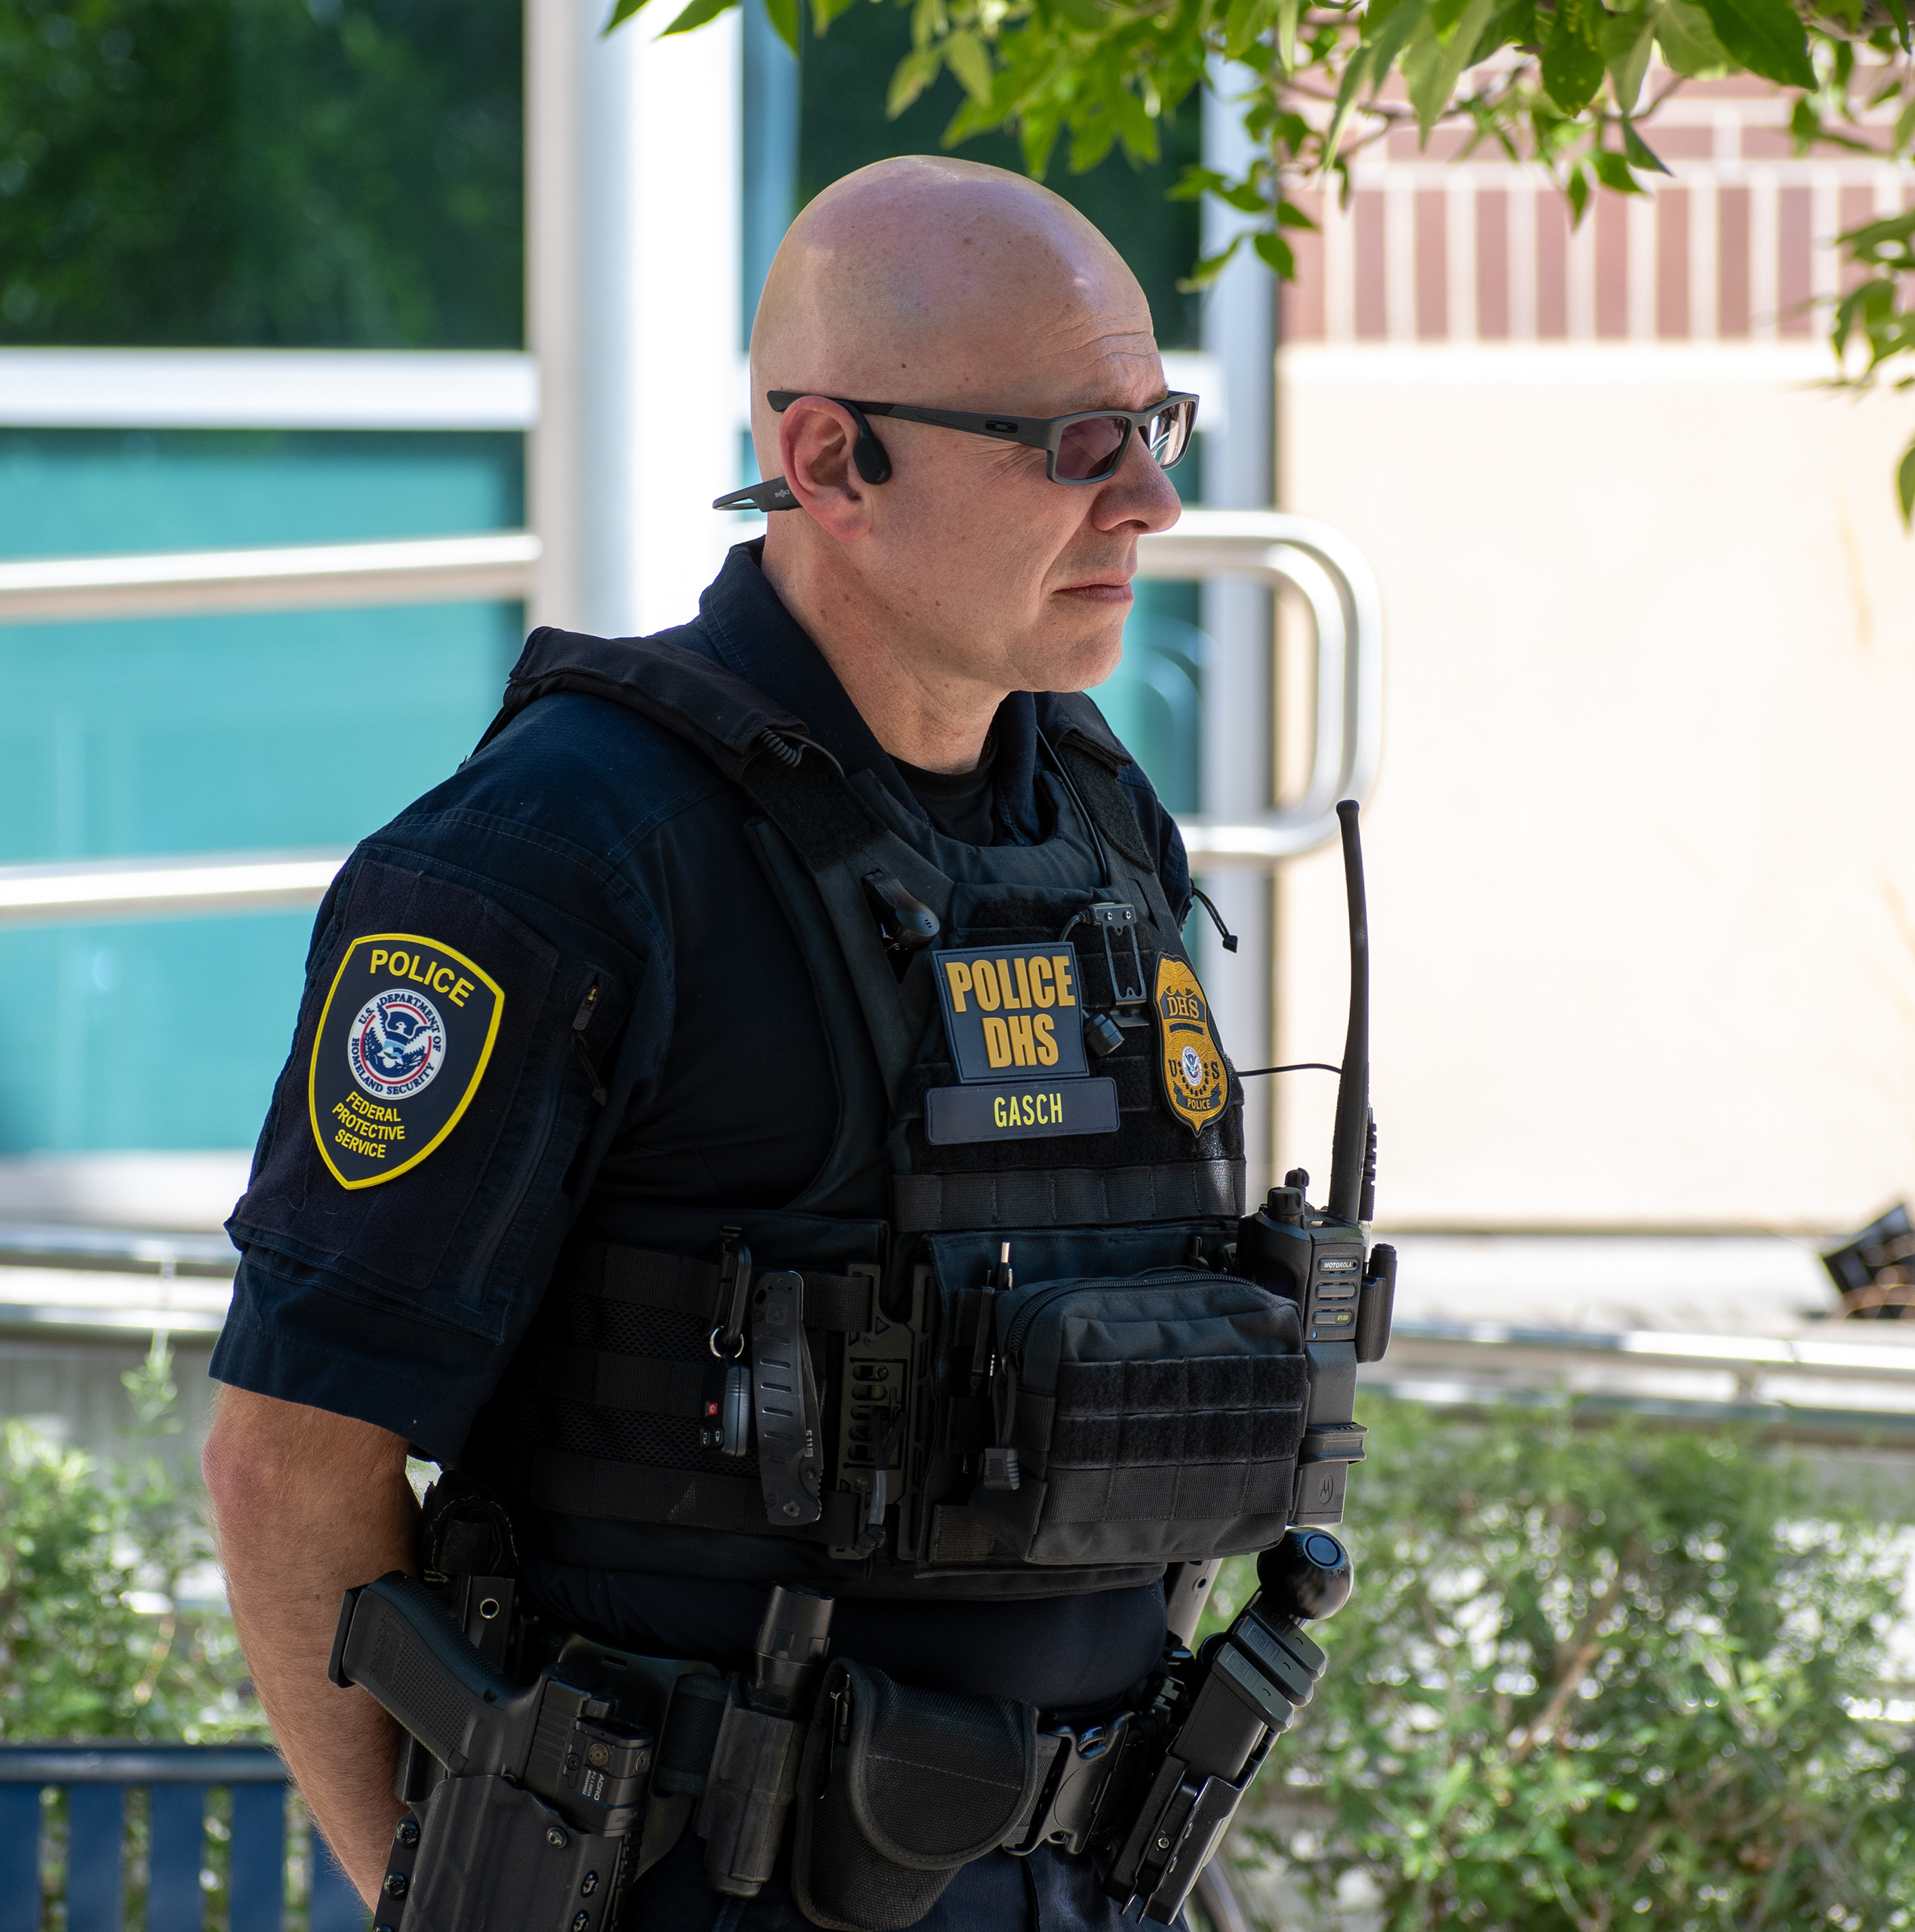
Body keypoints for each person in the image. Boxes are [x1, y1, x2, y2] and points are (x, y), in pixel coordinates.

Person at [204, 154, 1299, 1930]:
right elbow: (287, 1455)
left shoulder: (1095, 823)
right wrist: (432, 1893)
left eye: (1160, 421)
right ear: (827, 460)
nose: (1155, 501)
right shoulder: (561, 858)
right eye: (1078, 443)